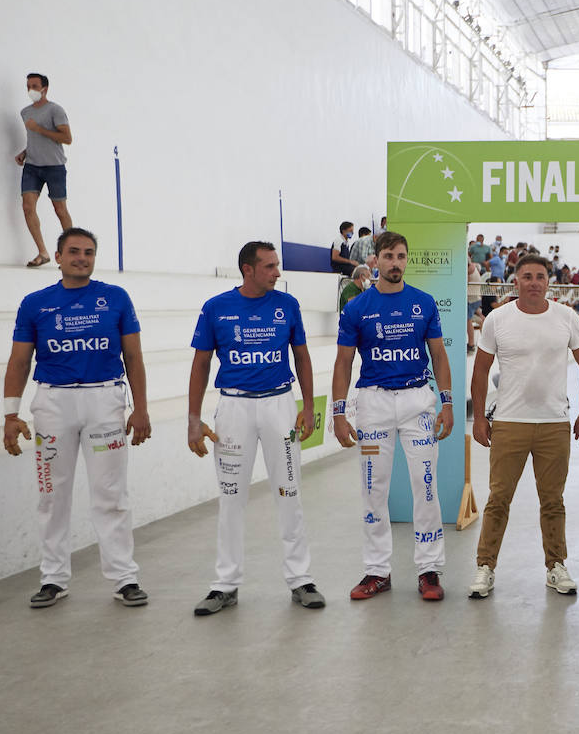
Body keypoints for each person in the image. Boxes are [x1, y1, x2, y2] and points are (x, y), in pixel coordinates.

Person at [2, 227, 151, 608]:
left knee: (111, 494)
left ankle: (124, 578)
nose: (81, 257)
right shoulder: (35, 303)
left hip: (105, 402)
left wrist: (142, 408)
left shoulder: (115, 298)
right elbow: (20, 361)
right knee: (52, 495)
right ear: (58, 257)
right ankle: (53, 578)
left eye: (88, 252)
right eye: (73, 252)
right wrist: (9, 414)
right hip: (53, 405)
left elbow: (133, 357)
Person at [186, 241, 324, 615]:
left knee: (289, 491)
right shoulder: (216, 308)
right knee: (231, 497)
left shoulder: (287, 305)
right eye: (270, 267)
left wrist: (308, 407)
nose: (277, 273)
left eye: (277, 265)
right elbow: (200, 365)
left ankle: (301, 579)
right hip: (233, 408)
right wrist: (194, 419)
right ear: (248, 269)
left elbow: (302, 356)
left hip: (280, 405)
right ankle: (224, 585)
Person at [332, 232, 455, 602]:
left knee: (426, 488)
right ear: (376, 260)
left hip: (418, 402)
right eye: (389, 256)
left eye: (401, 256)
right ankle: (376, 571)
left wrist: (447, 403)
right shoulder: (357, 307)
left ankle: (429, 570)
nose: (396, 263)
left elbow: (439, 355)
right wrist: (339, 412)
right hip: (373, 405)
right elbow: (343, 362)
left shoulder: (423, 302)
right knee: (373, 490)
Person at [468, 255, 579, 598]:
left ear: (549, 282)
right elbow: (480, 371)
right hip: (509, 423)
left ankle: (556, 566)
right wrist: (480, 418)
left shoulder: (566, 318)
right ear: (516, 282)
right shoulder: (498, 319)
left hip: (554, 423)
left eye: (540, 277)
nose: (534, 282)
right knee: (499, 499)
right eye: (527, 276)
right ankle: (485, 567)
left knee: (553, 500)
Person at [16, 73, 74, 268]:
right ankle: (42, 252)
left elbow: (67, 138)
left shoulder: (55, 110)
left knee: (60, 210)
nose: (30, 90)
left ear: (45, 89)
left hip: (54, 167)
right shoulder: (25, 112)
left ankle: (70, 253)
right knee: (27, 207)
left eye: (34, 86)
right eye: (28, 86)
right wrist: (25, 152)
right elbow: (34, 139)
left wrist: (39, 129)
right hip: (32, 166)